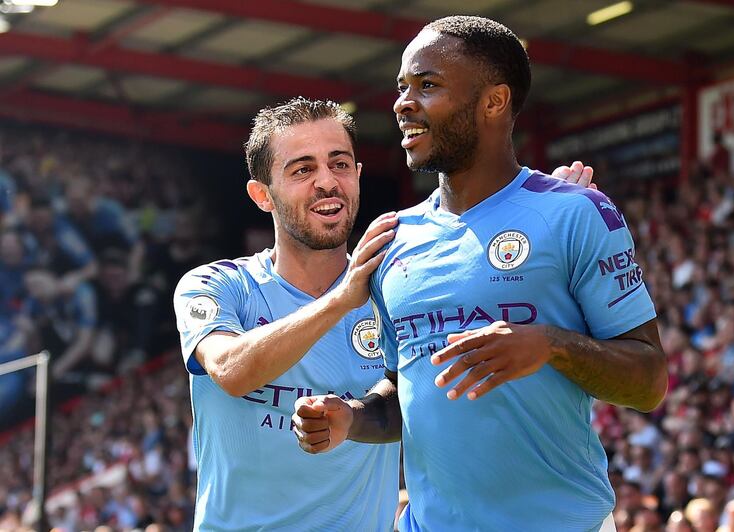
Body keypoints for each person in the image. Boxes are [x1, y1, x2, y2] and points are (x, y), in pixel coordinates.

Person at [293, 16, 667, 532]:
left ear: (494, 101)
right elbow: (406, 391)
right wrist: (353, 418)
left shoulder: (575, 213)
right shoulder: (392, 239)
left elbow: (649, 381)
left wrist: (553, 345)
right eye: (402, 87)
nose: (403, 103)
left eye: (428, 86)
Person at [173, 96, 596, 529]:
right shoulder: (218, 285)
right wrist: (341, 299)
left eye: (339, 164)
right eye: (302, 169)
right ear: (262, 194)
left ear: (357, 176)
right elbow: (230, 370)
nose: (326, 182)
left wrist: (549, 227)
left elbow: (495, 323)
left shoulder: (397, 288)